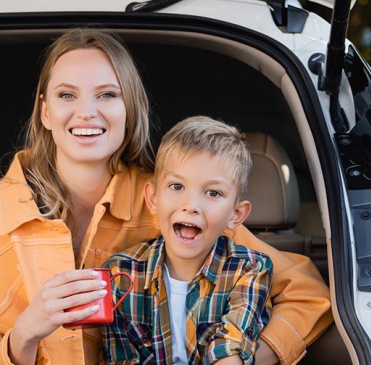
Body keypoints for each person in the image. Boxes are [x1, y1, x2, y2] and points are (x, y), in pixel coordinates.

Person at [0, 28, 331, 365]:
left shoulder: (174, 205)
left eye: (107, 94)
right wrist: (26, 334)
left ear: (130, 108)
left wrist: (246, 357)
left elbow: (308, 294)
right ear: (45, 111)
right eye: (67, 95)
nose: (87, 111)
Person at [102, 116, 272, 365]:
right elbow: (122, 358)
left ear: (235, 215)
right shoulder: (121, 272)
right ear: (153, 198)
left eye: (213, 193)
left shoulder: (249, 270)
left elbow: (229, 351)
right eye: (176, 186)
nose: (191, 206)